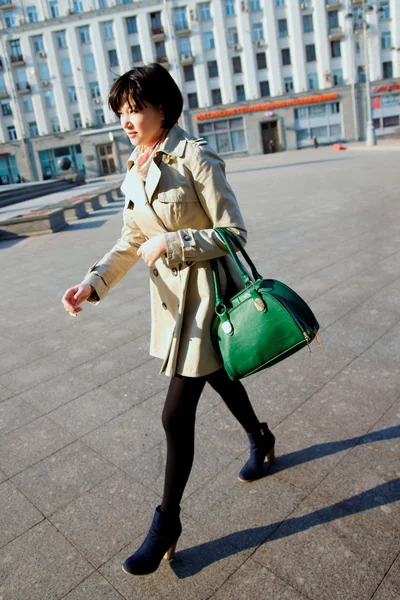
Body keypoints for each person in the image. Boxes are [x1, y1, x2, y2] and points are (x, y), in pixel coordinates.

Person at [61, 63, 275, 577]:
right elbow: (132, 239)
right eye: (121, 113)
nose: (127, 122)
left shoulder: (195, 157)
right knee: (221, 377)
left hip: (205, 299)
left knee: (174, 416)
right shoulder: (134, 167)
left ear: (164, 108)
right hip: (172, 306)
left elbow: (234, 232)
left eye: (136, 110)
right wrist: (93, 282)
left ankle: (166, 524)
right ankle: (262, 437)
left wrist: (174, 242)